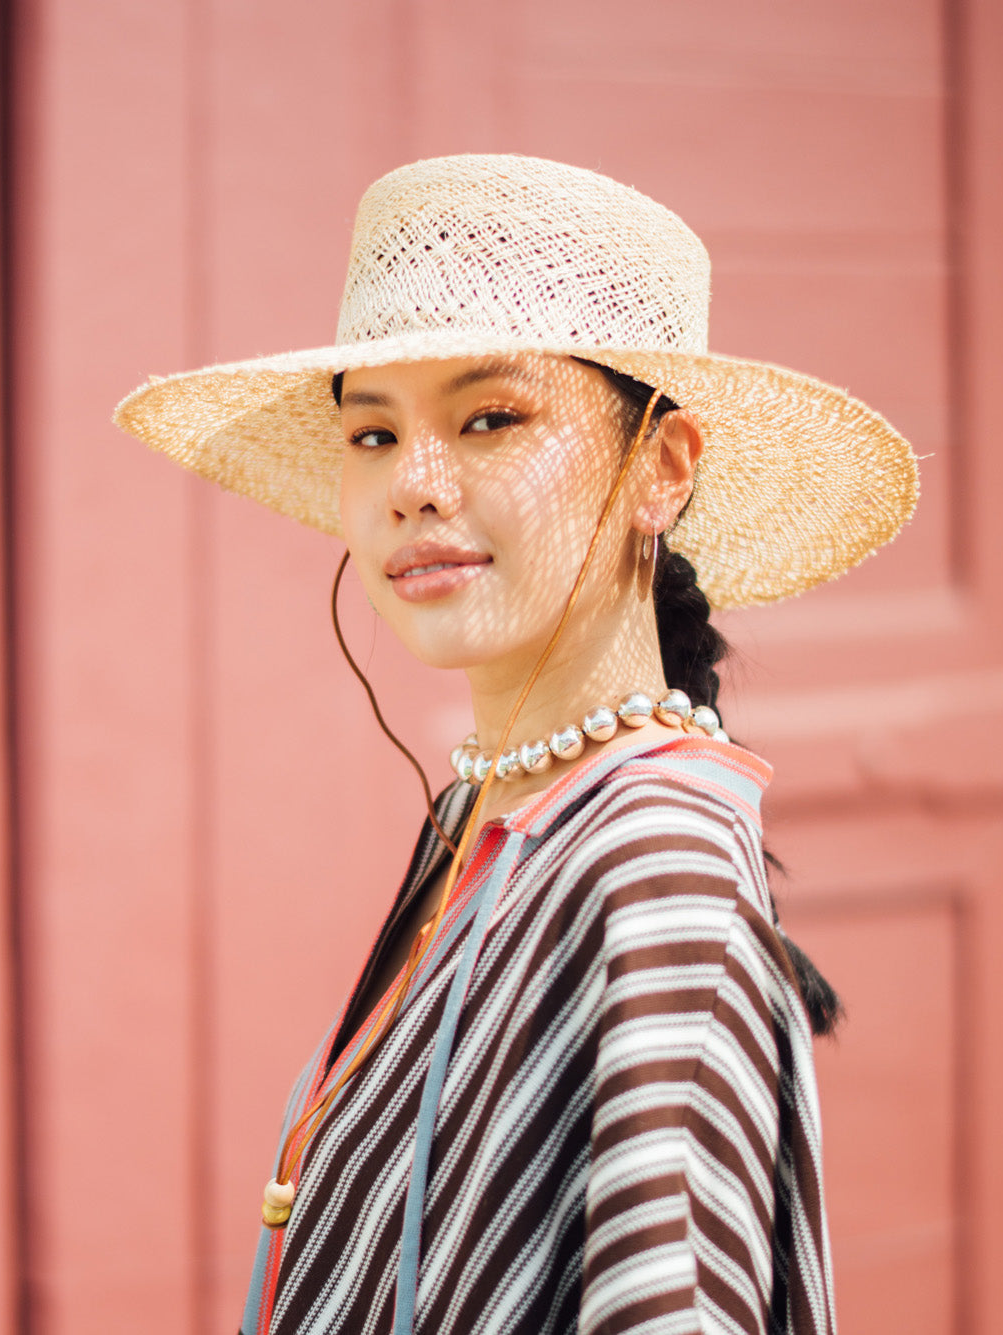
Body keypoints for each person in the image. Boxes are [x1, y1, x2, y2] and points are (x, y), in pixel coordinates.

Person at [115, 154, 918, 1335]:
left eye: (492, 419)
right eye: (372, 435)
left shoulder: (654, 865)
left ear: (664, 464)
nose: (414, 487)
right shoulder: (482, 818)